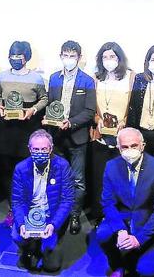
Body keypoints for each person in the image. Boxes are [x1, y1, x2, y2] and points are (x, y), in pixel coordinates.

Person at [96, 127, 154, 277]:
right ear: (119, 148)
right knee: (102, 234)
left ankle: (138, 258)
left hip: (147, 223)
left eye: (134, 146)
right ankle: (118, 265)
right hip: (123, 217)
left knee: (147, 271)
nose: (130, 150)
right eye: (125, 147)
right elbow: (107, 202)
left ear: (142, 146)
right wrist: (120, 230)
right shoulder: (111, 166)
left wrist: (138, 239)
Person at [45, 40, 97, 235]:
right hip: (56, 136)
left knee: (78, 180)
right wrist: (49, 119)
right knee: (56, 177)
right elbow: (51, 105)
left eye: (72, 56)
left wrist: (71, 122)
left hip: (77, 137)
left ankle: (75, 215)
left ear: (79, 58)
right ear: (61, 56)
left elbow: (89, 111)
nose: (68, 59)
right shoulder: (54, 78)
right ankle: (58, 214)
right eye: (65, 56)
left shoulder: (87, 81)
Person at [0, 41, 48, 226]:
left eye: (19, 56)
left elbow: (44, 98)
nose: (15, 59)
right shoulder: (2, 76)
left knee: (28, 170)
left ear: (27, 57)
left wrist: (33, 110)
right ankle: (13, 208)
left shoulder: (36, 78)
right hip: (6, 129)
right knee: (7, 171)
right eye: (12, 56)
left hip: (27, 129)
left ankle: (31, 207)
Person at [11, 130, 76, 273]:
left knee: (52, 266)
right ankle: (30, 249)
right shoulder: (20, 168)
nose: (40, 153)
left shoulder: (62, 166)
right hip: (29, 217)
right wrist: (22, 224)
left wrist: (54, 224)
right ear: (29, 149)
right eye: (36, 149)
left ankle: (46, 246)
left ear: (51, 148)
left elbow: (67, 200)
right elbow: (17, 201)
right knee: (16, 235)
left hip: (51, 217)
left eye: (44, 149)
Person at [90, 42, 134, 227]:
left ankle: (122, 218)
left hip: (123, 140)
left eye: (112, 57)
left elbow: (134, 106)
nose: (108, 60)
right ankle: (101, 216)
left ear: (119, 58)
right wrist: (97, 119)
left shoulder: (131, 77)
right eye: (105, 57)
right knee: (100, 180)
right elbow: (91, 107)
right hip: (100, 138)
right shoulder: (95, 78)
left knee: (122, 180)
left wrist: (125, 121)